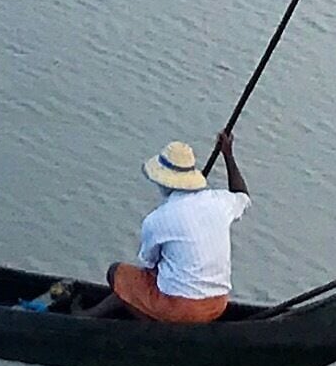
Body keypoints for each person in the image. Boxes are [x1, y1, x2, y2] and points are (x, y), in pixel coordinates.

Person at [89, 130, 250, 322]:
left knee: (117, 272)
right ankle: (94, 314)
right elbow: (242, 195)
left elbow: (149, 263)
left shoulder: (157, 219)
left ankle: (153, 325)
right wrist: (228, 155)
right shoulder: (218, 201)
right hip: (218, 305)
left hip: (180, 310)